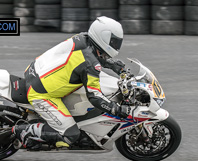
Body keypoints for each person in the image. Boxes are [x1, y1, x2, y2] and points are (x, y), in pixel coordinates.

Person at [12, 16, 130, 149]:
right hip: (41, 94)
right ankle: (22, 131)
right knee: (71, 134)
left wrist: (112, 65)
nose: (116, 46)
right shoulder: (90, 64)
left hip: (35, 72)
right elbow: (95, 97)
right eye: (113, 42)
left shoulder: (83, 38)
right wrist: (116, 109)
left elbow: (89, 58)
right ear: (103, 37)